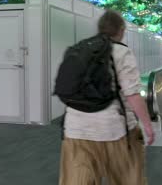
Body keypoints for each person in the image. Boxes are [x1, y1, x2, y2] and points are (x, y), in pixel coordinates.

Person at [59, 10, 155, 185]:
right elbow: (132, 94)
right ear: (121, 30)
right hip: (114, 131)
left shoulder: (79, 49)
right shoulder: (121, 52)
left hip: (75, 130)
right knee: (128, 177)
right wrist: (147, 125)